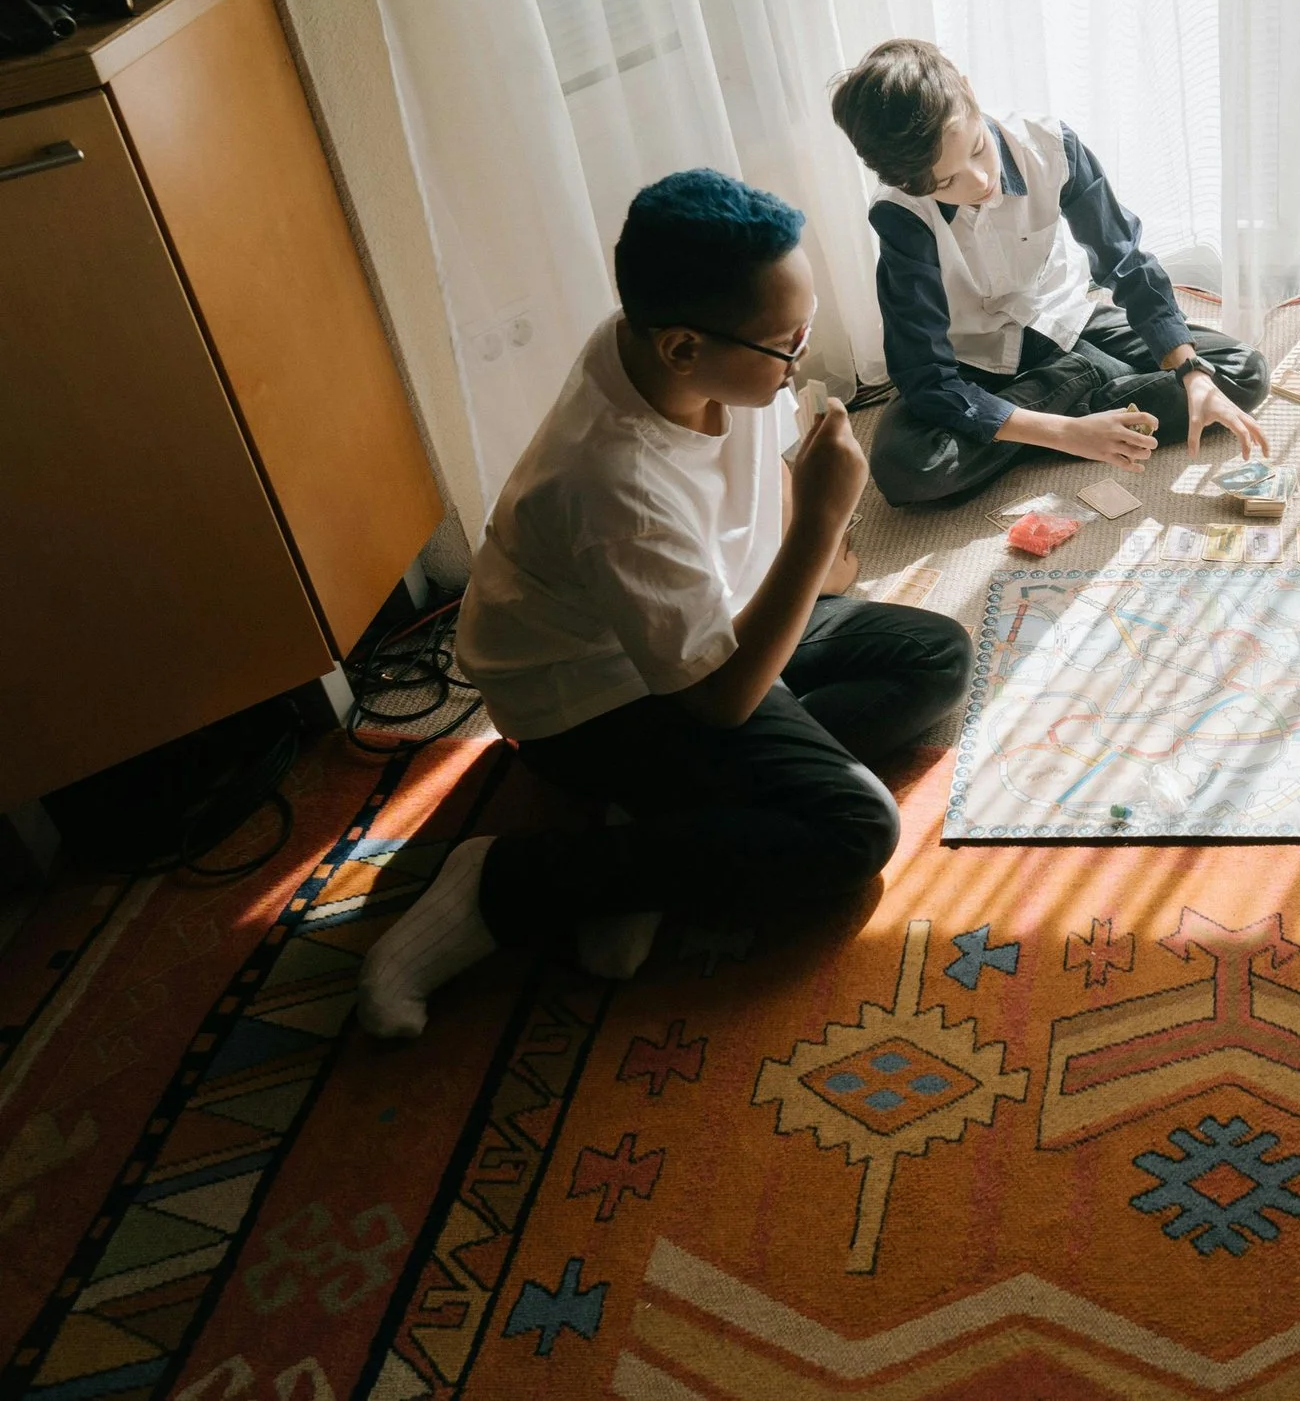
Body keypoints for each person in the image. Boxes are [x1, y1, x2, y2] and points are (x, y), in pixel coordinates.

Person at [358, 170, 972, 1038]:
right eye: (788, 345)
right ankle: (507, 881)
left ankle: (672, 833)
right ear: (684, 347)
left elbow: (772, 509)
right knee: (854, 830)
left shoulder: (693, 360)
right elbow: (721, 701)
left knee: (936, 657)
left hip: (703, 621)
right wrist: (824, 521)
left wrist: (819, 547)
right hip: (597, 701)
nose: (803, 356)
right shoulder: (611, 484)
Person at [829, 38, 1271, 506]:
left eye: (978, 149)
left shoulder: (1049, 144)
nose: (979, 182)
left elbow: (1125, 260)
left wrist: (1190, 370)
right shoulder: (900, 214)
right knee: (907, 468)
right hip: (974, 358)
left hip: (1068, 322)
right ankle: (1078, 405)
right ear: (906, 182)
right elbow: (925, 374)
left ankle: (1026, 426)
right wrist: (1065, 433)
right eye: (946, 182)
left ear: (968, 89)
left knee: (1241, 372)